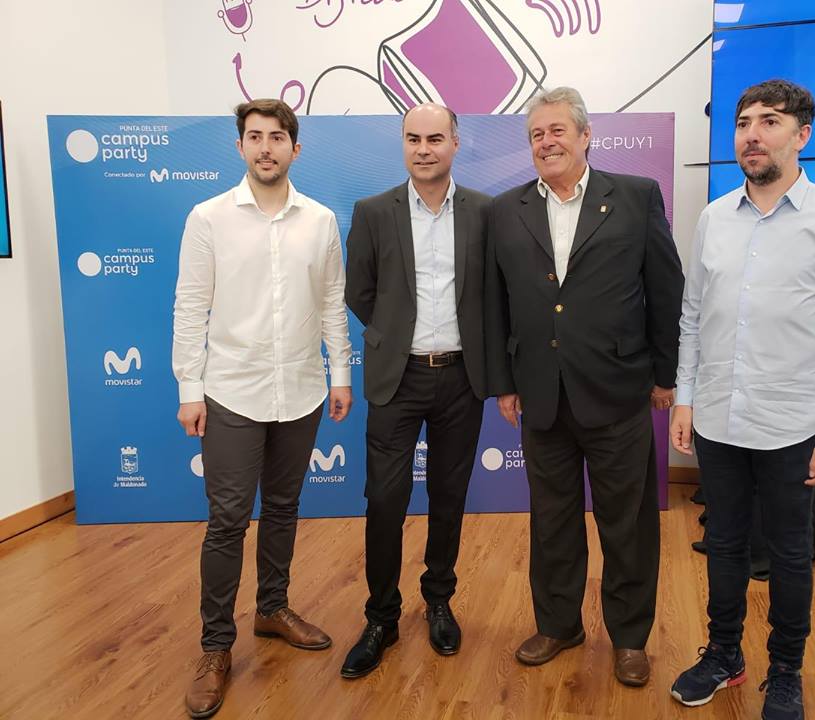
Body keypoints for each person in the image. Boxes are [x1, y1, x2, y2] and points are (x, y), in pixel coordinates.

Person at [669, 79, 815, 720]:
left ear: (802, 135)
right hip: (717, 419)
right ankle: (724, 654)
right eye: (743, 123)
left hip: (794, 425)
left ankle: (786, 670)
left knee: (790, 554)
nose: (752, 135)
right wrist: (685, 398)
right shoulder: (714, 218)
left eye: (769, 121)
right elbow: (692, 318)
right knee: (724, 545)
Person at [485, 86, 683, 687]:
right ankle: (559, 625)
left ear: (585, 135)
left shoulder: (636, 196)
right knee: (552, 522)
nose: (546, 142)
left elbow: (665, 290)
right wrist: (504, 383)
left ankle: (629, 638)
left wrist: (666, 376)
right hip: (541, 395)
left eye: (557, 131)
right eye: (536, 134)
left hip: (619, 392)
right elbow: (496, 303)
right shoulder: (506, 209)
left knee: (628, 526)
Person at [173, 98, 353, 718]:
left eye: (277, 137)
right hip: (231, 391)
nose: (266, 147)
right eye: (255, 137)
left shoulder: (320, 220)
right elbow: (190, 306)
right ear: (240, 147)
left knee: (282, 507)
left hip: (301, 389)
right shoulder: (208, 218)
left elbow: (332, 302)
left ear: (295, 148)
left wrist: (340, 374)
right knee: (227, 520)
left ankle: (272, 609)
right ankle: (215, 647)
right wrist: (189, 389)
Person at [340, 103, 490, 678]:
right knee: (385, 500)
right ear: (402, 144)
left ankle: (439, 601)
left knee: (449, 496)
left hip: (461, 377)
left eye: (434, 138)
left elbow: (494, 290)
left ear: (455, 142)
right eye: (413, 139)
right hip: (395, 377)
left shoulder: (484, 211)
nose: (423, 149)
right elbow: (359, 291)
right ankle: (381, 616)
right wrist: (394, 332)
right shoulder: (373, 211)